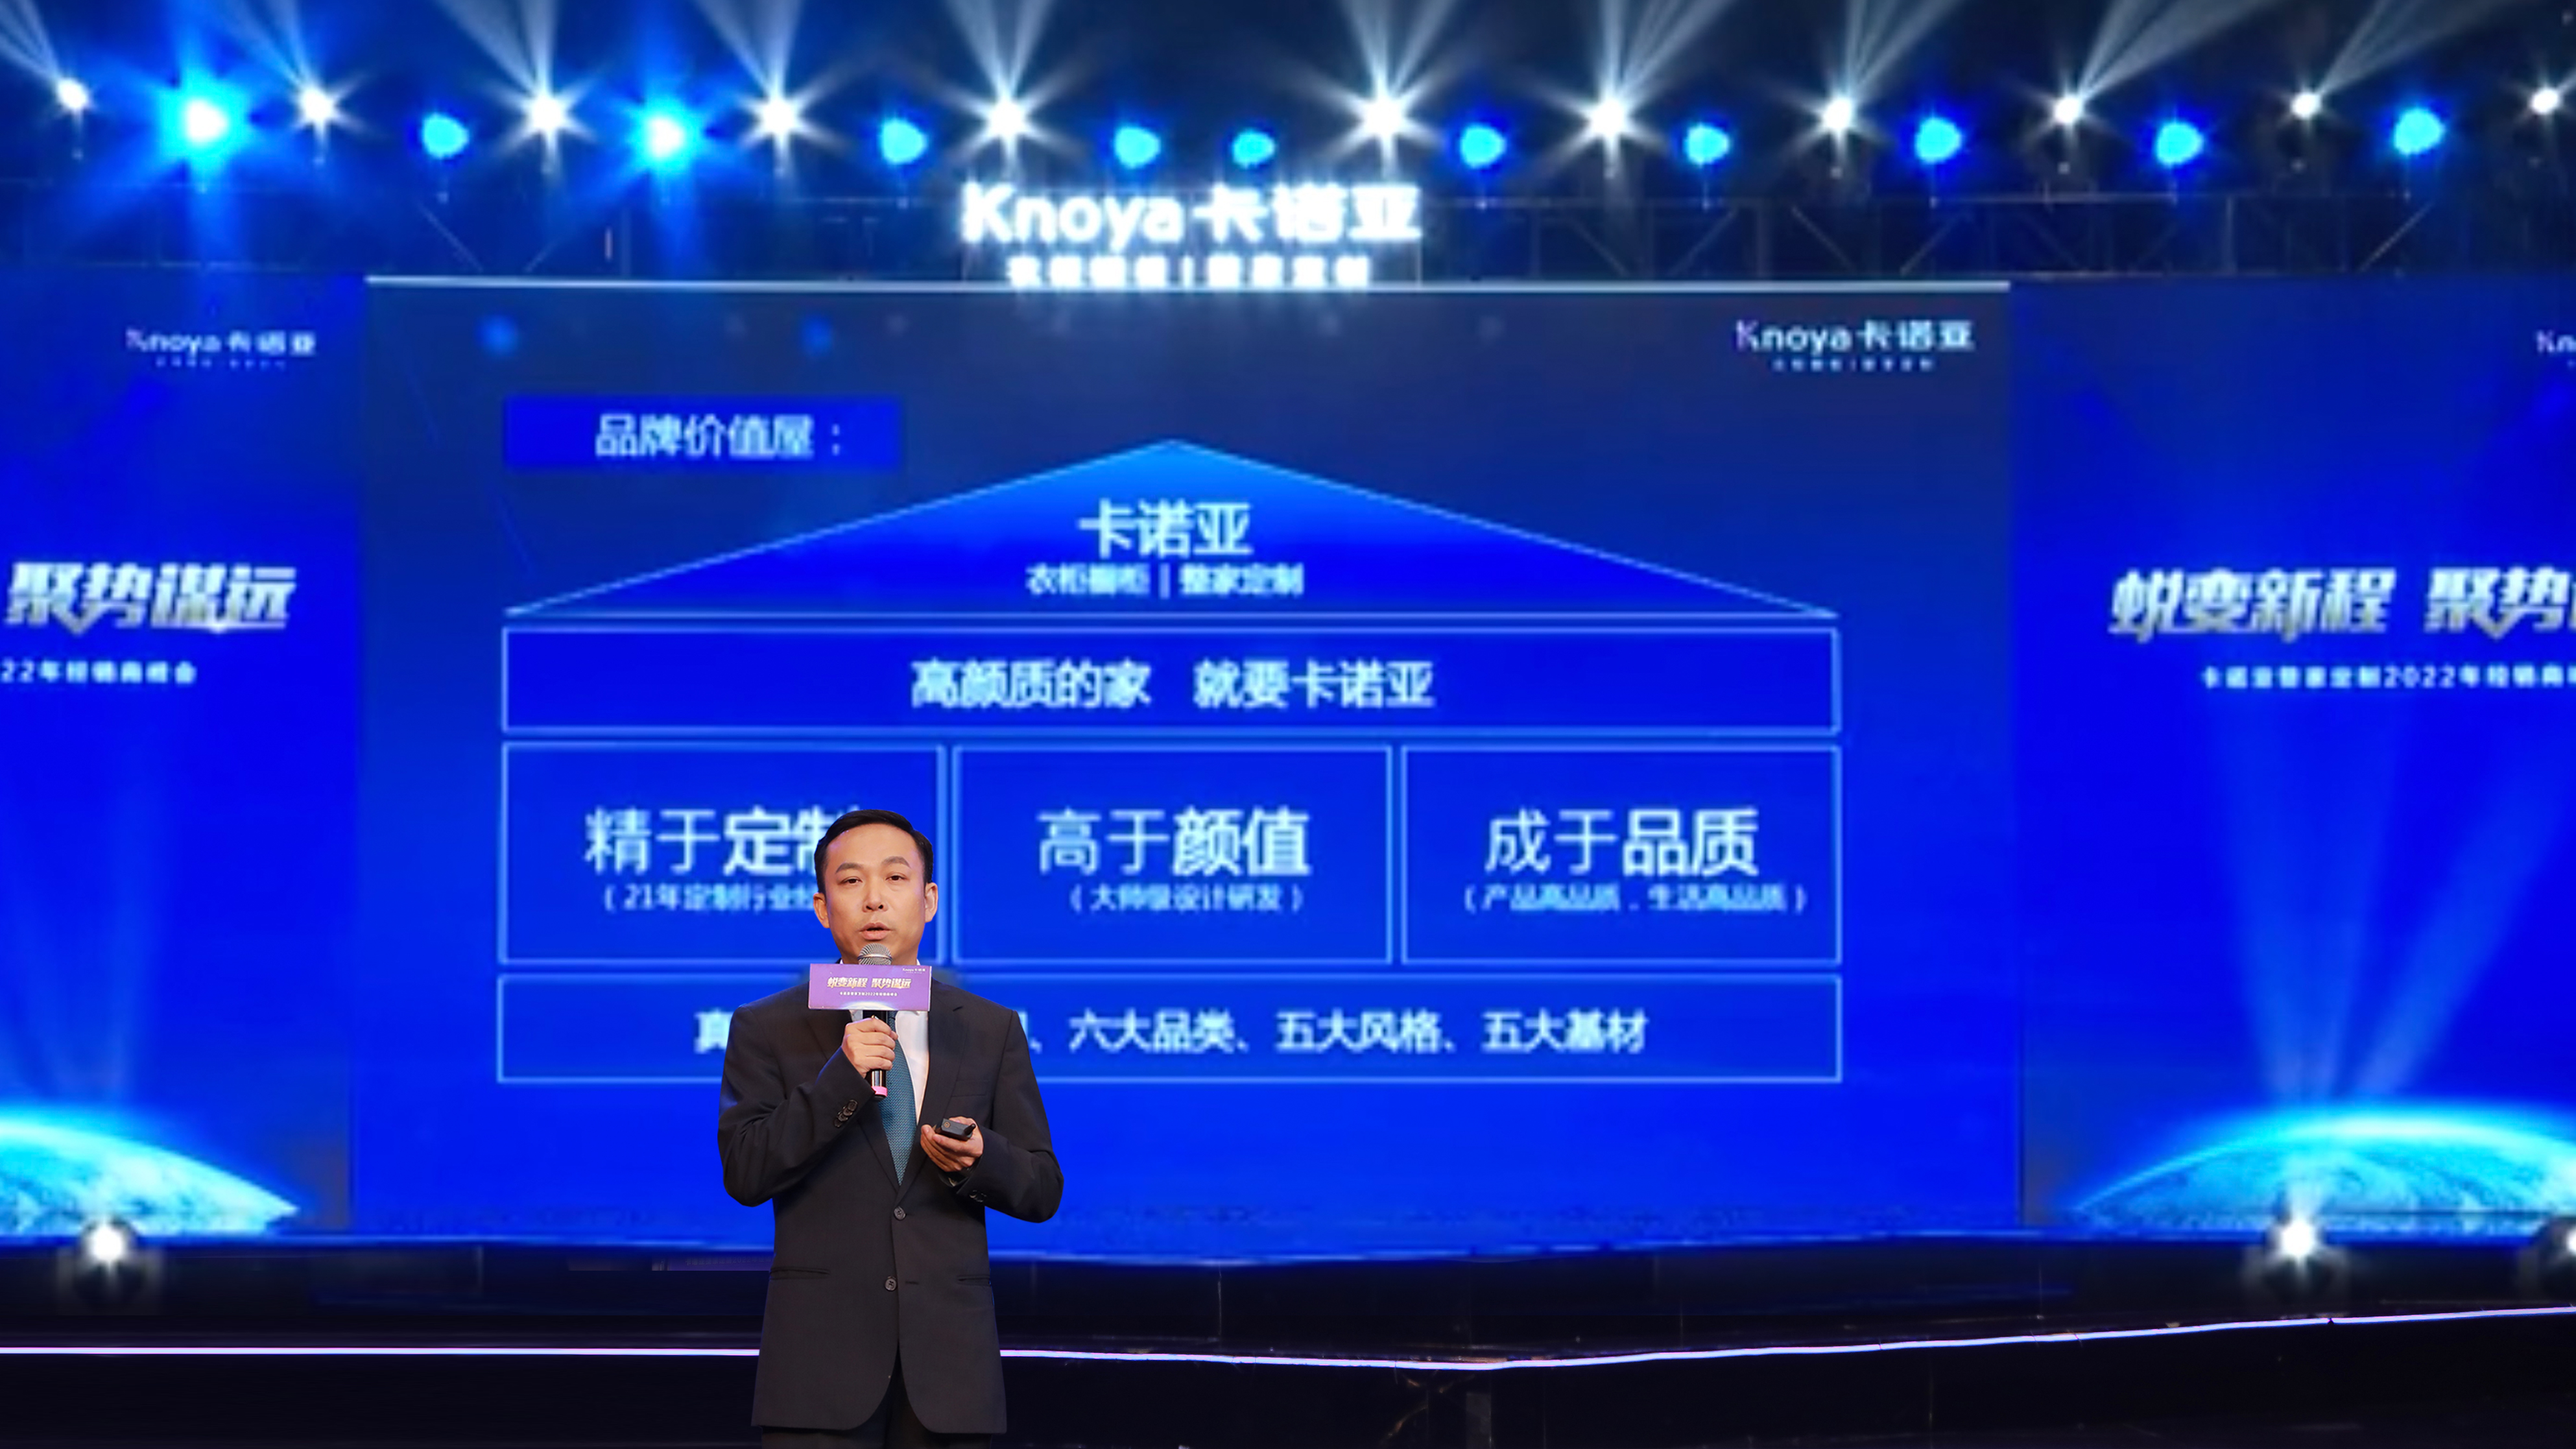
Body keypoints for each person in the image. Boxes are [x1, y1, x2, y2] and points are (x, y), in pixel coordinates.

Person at [719, 808, 1062, 1448]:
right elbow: (746, 1171)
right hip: (819, 1372)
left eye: (895, 878)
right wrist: (841, 1079)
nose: (874, 898)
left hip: (950, 1376)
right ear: (822, 908)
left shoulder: (989, 1028)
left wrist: (981, 1157)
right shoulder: (766, 1027)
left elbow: (1042, 1187)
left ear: (928, 900)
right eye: (851, 881)